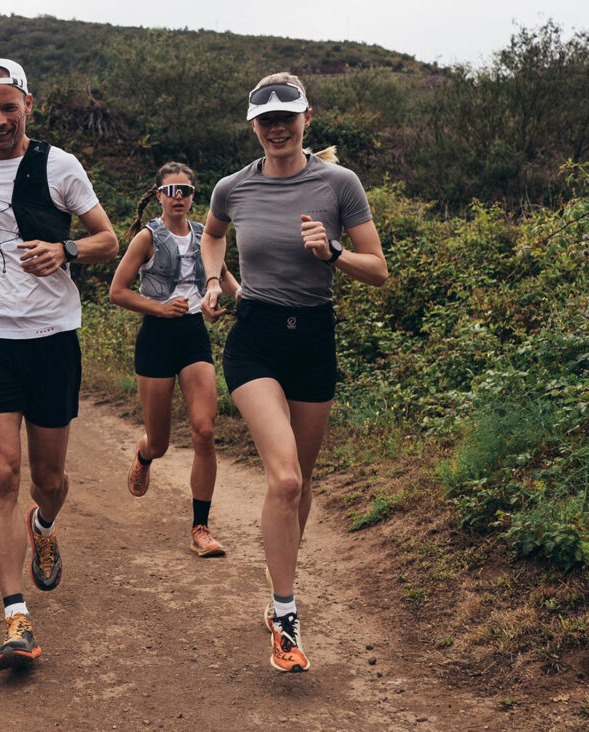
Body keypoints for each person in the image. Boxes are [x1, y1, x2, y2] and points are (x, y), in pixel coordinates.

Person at [200, 73, 388, 673]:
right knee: (283, 480)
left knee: (300, 485)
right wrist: (213, 280)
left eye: (288, 115)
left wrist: (332, 252)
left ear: (307, 117)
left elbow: (378, 269)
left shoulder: (339, 184)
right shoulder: (233, 187)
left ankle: (279, 581)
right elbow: (212, 234)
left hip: (313, 338)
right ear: (252, 125)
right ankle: (285, 616)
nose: (277, 127)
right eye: (266, 118)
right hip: (253, 337)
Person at [0, 58, 118, 671]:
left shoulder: (58, 165)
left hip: (50, 339)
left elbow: (107, 239)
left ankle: (43, 525)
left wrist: (65, 249)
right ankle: (15, 614)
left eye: (7, 106)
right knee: (1, 471)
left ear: (28, 106)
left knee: (50, 478)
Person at [109, 162, 239, 558]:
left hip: (193, 335)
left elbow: (225, 278)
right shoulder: (148, 237)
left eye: (184, 190)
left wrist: (237, 299)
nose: (177, 197)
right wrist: (159, 308)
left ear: (193, 195)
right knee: (161, 442)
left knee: (204, 431)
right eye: (170, 190)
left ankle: (200, 527)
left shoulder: (205, 235)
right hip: (157, 337)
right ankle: (144, 454)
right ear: (159, 194)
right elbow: (118, 291)